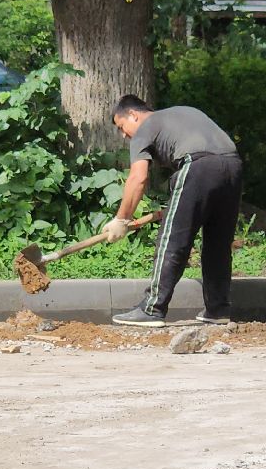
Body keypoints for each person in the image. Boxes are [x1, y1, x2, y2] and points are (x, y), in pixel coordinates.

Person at [104, 95, 243, 327]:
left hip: (198, 166)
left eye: (122, 127)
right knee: (217, 244)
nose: (123, 134)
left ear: (133, 115)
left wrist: (122, 219)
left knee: (171, 241)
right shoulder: (182, 112)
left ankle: (151, 309)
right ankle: (218, 309)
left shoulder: (145, 128)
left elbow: (138, 178)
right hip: (233, 166)